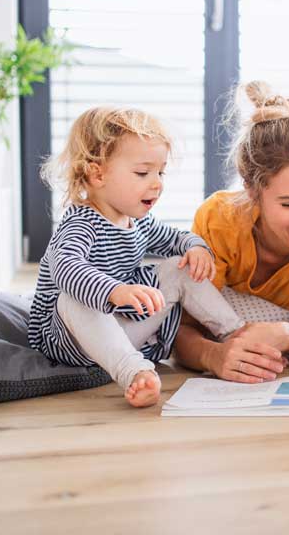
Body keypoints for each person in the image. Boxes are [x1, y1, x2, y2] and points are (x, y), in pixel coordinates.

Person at [29, 107, 238, 407]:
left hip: (122, 329)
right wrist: (114, 291)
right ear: (97, 173)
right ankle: (133, 371)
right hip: (71, 340)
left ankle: (235, 333)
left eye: (160, 171)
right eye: (143, 173)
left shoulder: (137, 222)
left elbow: (175, 238)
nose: (157, 183)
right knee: (71, 297)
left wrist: (196, 247)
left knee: (178, 267)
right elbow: (66, 268)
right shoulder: (81, 224)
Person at [173, 81, 289, 383]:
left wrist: (287, 333)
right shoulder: (220, 220)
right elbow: (182, 326)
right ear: (252, 190)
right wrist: (213, 356)